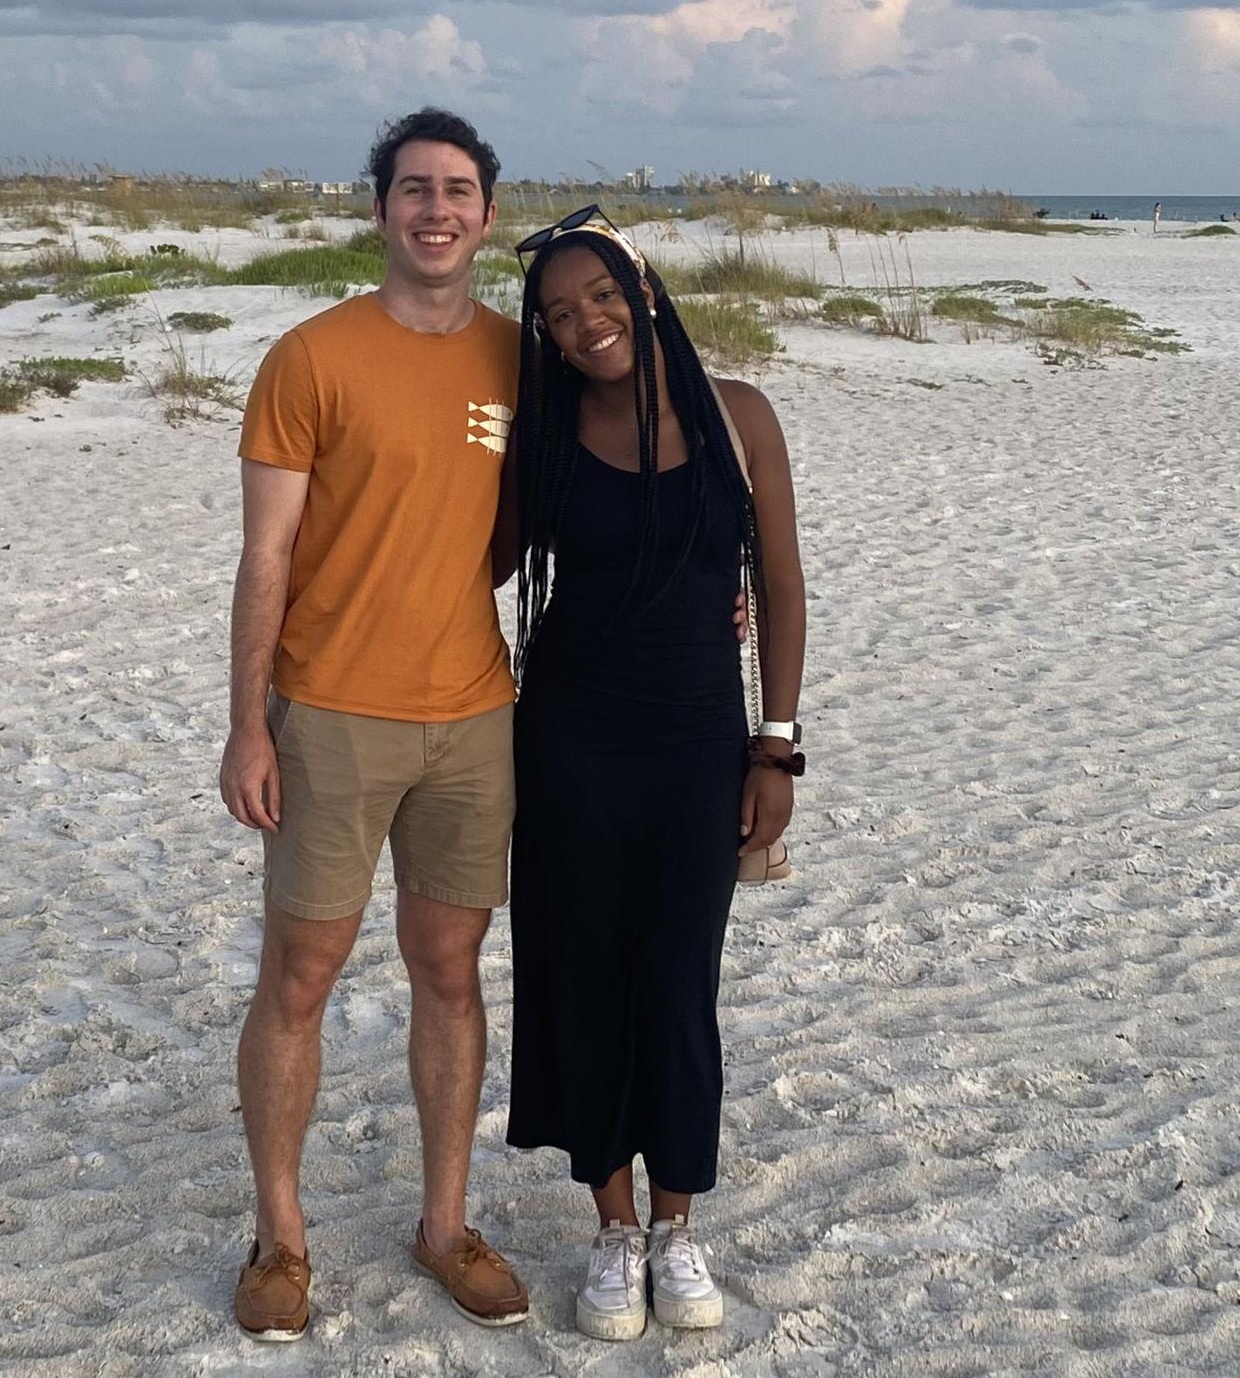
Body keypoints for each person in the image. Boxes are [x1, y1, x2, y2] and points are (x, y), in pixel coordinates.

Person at [220, 107, 531, 1341]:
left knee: (449, 970)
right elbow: (264, 553)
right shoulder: (311, 356)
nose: (436, 209)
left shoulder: (522, 360)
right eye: (413, 189)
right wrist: (246, 725)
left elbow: (604, 486)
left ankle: (443, 1220)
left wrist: (710, 575)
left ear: (488, 214)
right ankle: (280, 1237)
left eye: (457, 190)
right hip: (329, 716)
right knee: (299, 976)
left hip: (473, 716)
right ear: (378, 209)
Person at [501, 206, 806, 1343]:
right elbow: (479, 555)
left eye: (598, 297)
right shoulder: (542, 425)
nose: (583, 324)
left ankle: (678, 1226)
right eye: (556, 314)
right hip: (569, 738)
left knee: (678, 979)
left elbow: (778, 583)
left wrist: (774, 741)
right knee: (582, 974)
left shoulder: (739, 417)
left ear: (644, 290)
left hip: (695, 741)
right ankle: (612, 1228)